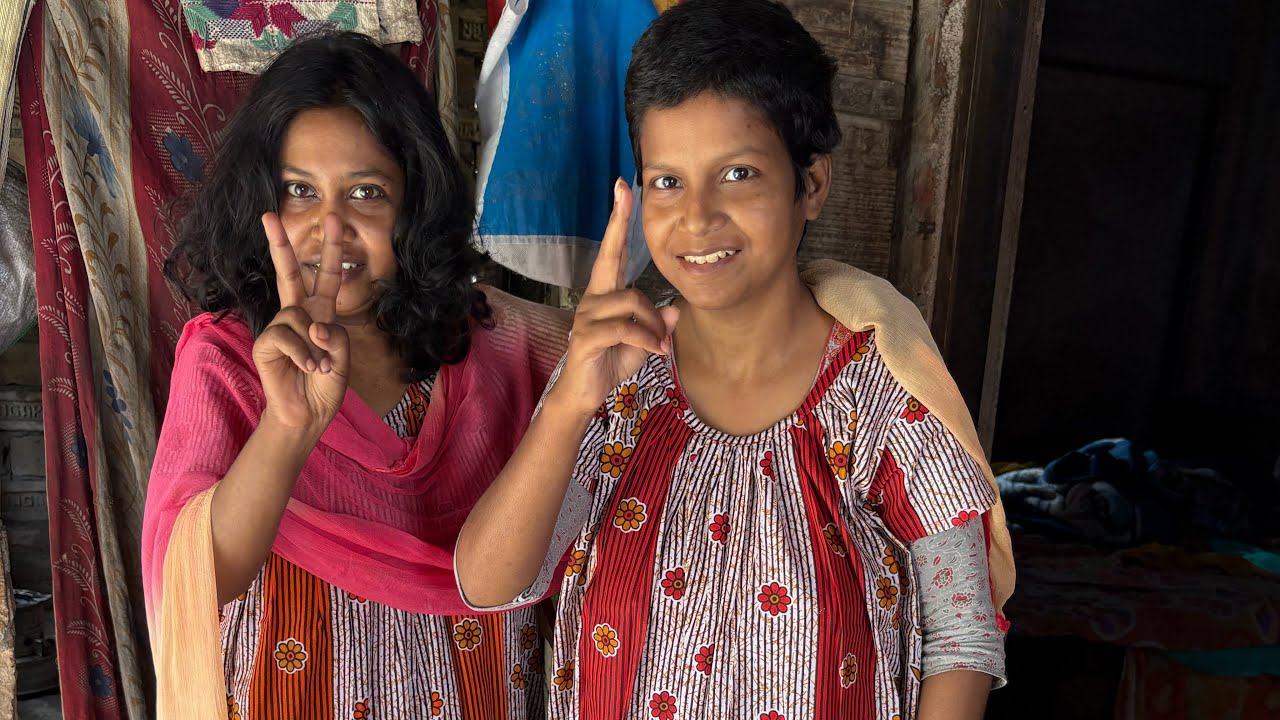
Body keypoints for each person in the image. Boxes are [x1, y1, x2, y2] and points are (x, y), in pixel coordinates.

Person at [455, 2, 1015, 718]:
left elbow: (962, 637)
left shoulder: (881, 399)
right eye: (667, 181)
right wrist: (569, 406)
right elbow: (491, 585)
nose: (696, 218)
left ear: (811, 184)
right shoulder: (618, 388)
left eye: (739, 174)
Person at [142, 32, 569, 720]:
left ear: (413, 204)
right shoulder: (229, 360)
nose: (329, 230)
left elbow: (619, 385)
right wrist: (288, 428)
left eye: (365, 193)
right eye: (299, 192)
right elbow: (196, 577)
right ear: (263, 204)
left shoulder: (494, 344)